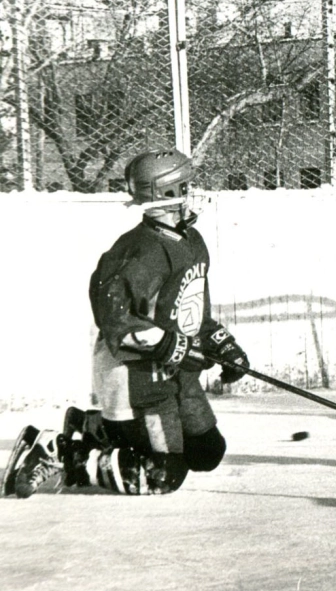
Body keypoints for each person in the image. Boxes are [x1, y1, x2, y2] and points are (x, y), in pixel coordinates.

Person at [2, 149, 249, 498]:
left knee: (207, 452)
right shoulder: (137, 253)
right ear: (165, 195)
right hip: (137, 379)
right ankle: (59, 453)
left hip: (177, 376)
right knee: (164, 474)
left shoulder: (192, 242)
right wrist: (172, 346)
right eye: (185, 185)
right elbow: (116, 322)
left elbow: (191, 310)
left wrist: (221, 343)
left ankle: (93, 427)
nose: (193, 191)